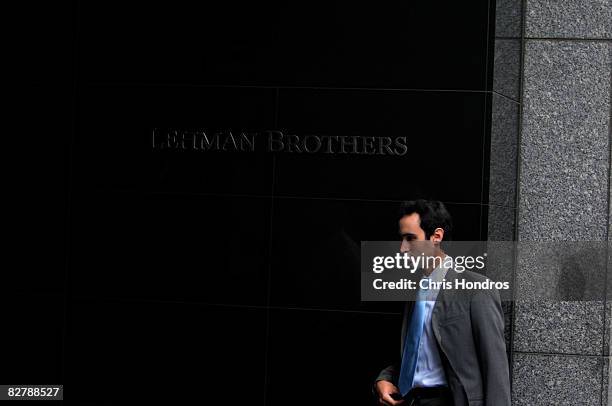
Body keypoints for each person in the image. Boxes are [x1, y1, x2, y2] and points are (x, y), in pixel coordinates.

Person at [374, 200, 510, 406]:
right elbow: (413, 352)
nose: (403, 249)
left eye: (411, 238)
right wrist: (384, 379)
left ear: (436, 236)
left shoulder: (476, 288)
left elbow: (495, 369)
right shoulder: (413, 289)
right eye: (402, 239)